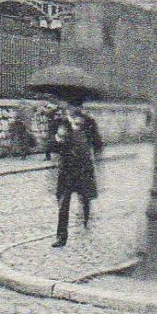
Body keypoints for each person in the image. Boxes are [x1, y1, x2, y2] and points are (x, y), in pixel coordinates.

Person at [51, 100, 104, 247]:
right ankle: (61, 237)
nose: (74, 109)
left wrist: (95, 155)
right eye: (71, 106)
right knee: (63, 202)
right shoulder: (62, 123)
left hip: (83, 167)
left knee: (85, 197)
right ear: (68, 107)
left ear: (81, 107)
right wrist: (58, 138)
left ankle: (86, 220)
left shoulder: (89, 122)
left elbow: (98, 143)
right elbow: (53, 146)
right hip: (67, 169)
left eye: (77, 106)